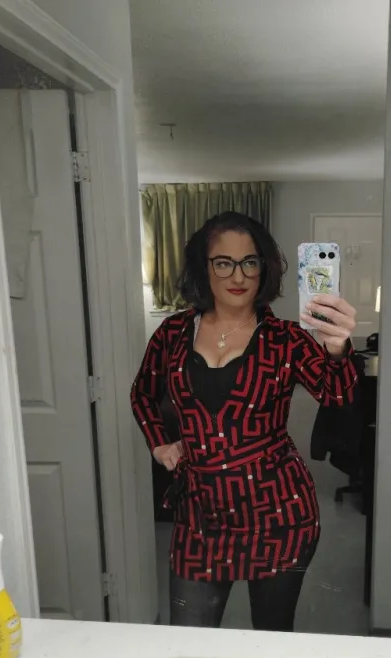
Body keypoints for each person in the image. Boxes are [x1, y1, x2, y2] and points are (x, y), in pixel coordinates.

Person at [131, 211, 357, 631]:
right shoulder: (172, 333)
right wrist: (159, 443)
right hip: (199, 521)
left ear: (263, 267)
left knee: (270, 640)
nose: (238, 275)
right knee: (190, 643)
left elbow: (339, 395)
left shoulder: (287, 339)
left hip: (280, 518)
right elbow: (142, 393)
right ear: (204, 267)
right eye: (223, 262)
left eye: (249, 262)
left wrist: (338, 348)